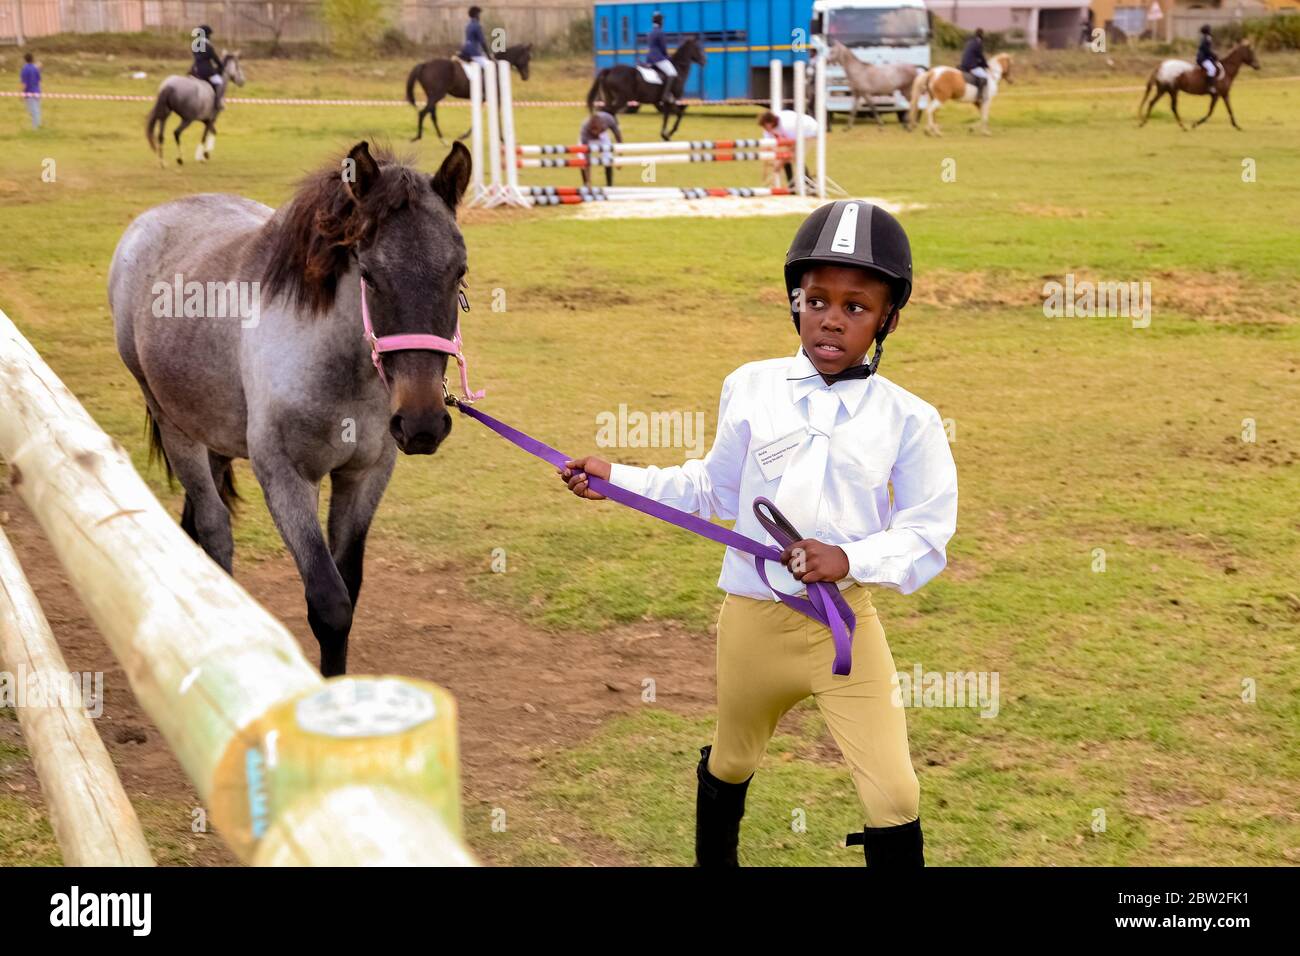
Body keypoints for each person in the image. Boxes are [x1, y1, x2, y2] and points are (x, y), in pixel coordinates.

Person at [558, 201, 958, 867]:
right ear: (794, 302)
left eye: (856, 306)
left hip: (845, 633)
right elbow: (710, 490)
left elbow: (926, 532)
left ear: (888, 318)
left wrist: (848, 557)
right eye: (817, 299)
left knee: (895, 794)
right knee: (733, 760)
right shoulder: (750, 388)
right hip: (750, 621)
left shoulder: (910, 420)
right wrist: (617, 477)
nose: (832, 317)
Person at [758, 108, 816, 190]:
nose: (765, 129)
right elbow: (767, 145)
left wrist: (779, 163)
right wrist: (770, 162)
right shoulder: (768, 128)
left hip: (810, 131)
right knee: (784, 155)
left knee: (795, 157)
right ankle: (791, 186)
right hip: (795, 135)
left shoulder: (787, 125)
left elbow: (794, 146)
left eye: (765, 126)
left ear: (769, 123)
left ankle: (810, 185)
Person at [580, 111, 623, 188]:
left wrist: (619, 158)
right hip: (588, 139)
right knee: (582, 158)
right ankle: (586, 184)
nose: (595, 133)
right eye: (593, 130)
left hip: (603, 136)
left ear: (602, 125)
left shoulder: (609, 119)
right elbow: (587, 158)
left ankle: (609, 185)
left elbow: (618, 137)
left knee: (608, 157)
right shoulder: (585, 130)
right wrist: (589, 181)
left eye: (597, 129)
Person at [189, 24, 225, 113]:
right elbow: (215, 58)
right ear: (206, 35)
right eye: (209, 35)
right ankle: (217, 103)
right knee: (220, 82)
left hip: (195, 69)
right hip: (206, 70)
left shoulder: (194, 44)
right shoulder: (207, 46)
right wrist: (221, 66)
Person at [645, 11, 677, 105]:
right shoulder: (660, 33)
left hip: (650, 58)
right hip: (658, 58)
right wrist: (668, 57)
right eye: (662, 20)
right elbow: (663, 48)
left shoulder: (650, 32)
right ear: (660, 21)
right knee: (672, 73)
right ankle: (665, 95)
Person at [458, 6, 494, 73]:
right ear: (476, 15)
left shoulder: (468, 25)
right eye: (479, 14)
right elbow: (482, 42)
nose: (480, 17)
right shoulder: (477, 25)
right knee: (490, 67)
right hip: (474, 53)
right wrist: (489, 55)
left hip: (465, 51)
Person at [959, 27, 990, 102]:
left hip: (963, 64)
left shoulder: (970, 42)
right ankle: (979, 96)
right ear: (982, 35)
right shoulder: (978, 43)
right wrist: (986, 65)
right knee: (984, 77)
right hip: (971, 66)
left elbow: (975, 56)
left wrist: (981, 64)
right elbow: (980, 56)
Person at [1196, 24, 1223, 94]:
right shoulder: (1206, 38)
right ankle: (1210, 87)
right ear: (1207, 31)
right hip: (1203, 59)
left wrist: (1213, 55)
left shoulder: (1206, 37)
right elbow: (1206, 50)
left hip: (1206, 57)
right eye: (1210, 30)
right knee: (1212, 69)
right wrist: (1214, 55)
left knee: (1215, 66)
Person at [20, 52, 41, 130]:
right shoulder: (36, 68)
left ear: (24, 60)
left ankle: (35, 129)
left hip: (29, 93)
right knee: (36, 110)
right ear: (32, 59)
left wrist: (21, 94)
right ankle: (37, 126)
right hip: (37, 92)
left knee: (32, 111)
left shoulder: (24, 69)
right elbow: (39, 81)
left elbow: (24, 83)